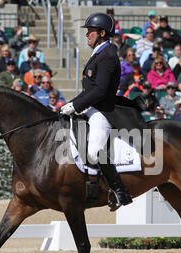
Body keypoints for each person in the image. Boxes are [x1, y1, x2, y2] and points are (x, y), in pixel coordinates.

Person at [59, 12, 134, 208]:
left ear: (102, 33)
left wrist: (75, 106)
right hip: (90, 108)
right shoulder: (99, 53)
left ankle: (120, 192)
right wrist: (69, 104)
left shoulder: (108, 55)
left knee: (93, 152)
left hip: (103, 111)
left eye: (90, 31)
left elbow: (100, 91)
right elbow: (89, 90)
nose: (87, 35)